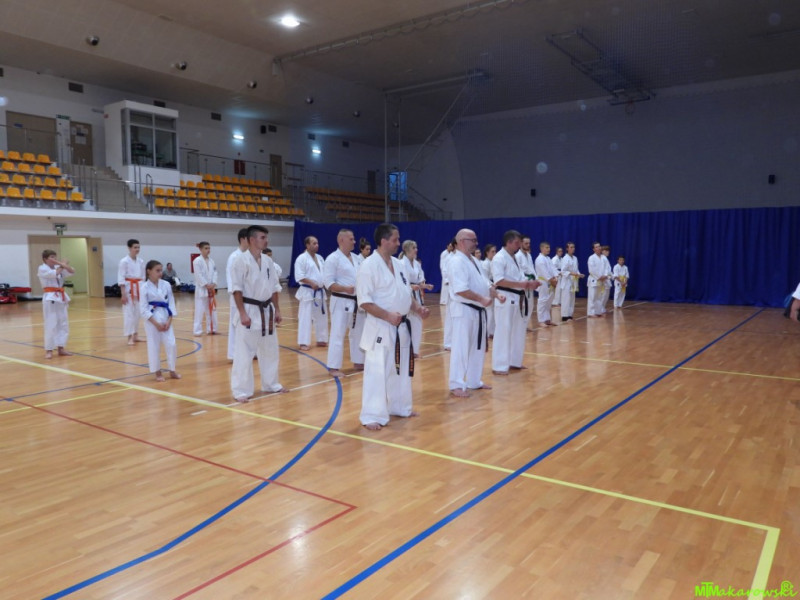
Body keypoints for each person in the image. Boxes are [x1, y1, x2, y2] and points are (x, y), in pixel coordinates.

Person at [357, 223, 429, 431]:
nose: (398, 243)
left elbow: (405, 294)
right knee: (377, 371)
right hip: (380, 325)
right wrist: (388, 315)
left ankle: (400, 407)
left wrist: (417, 308)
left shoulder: (399, 265)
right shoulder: (368, 266)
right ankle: (372, 414)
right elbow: (364, 301)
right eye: (395, 240)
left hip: (401, 325)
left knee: (401, 369)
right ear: (383, 241)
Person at [230, 225, 286, 402]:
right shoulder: (240, 261)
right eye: (263, 237)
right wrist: (242, 313)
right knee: (244, 352)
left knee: (270, 349)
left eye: (266, 237)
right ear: (252, 240)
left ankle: (271, 384)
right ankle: (241, 390)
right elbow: (236, 289)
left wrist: (277, 309)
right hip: (249, 309)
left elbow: (275, 287)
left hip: (267, 310)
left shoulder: (268, 261)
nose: (266, 240)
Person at [448, 229, 505, 397]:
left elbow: (485, 283)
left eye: (475, 240)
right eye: (472, 240)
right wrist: (481, 299)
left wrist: (496, 294)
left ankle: (474, 381)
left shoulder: (473, 260)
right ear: (461, 241)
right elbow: (460, 289)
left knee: (477, 347)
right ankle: (456, 383)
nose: (476, 243)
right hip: (464, 310)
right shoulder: (456, 261)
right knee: (461, 348)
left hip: (478, 310)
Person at [492, 230, 540, 375]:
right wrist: (521, 284)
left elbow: (519, 277)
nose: (519, 245)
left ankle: (515, 361)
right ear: (508, 242)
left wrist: (529, 284)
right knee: (503, 331)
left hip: (518, 298)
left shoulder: (515, 258)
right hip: (505, 298)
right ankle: (499, 365)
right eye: (517, 243)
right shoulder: (499, 258)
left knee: (518, 331)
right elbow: (499, 280)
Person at [323, 228, 364, 377]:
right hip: (340, 300)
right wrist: (345, 289)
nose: (354, 241)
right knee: (337, 334)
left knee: (358, 333)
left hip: (357, 302)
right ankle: (333, 367)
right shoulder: (332, 259)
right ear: (341, 240)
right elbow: (328, 283)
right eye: (351, 239)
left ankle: (359, 361)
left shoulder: (357, 258)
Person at [140, 260, 180, 382]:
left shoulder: (166, 285)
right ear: (149, 271)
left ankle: (172, 370)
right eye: (157, 270)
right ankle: (157, 372)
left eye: (161, 270)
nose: (160, 273)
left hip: (166, 316)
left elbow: (171, 303)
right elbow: (143, 309)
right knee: (154, 345)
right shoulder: (144, 287)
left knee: (171, 344)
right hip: (152, 319)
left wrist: (169, 320)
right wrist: (156, 324)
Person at [38, 249, 75, 359]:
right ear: (45, 259)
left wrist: (63, 265)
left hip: (61, 297)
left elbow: (71, 271)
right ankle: (49, 350)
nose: (54, 259)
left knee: (63, 323)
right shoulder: (42, 268)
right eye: (52, 257)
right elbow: (55, 274)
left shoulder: (58, 267)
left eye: (55, 257)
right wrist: (62, 264)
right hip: (50, 297)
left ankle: (61, 348)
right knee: (51, 323)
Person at [294, 235, 328, 351]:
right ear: (307, 245)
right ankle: (303, 342)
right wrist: (311, 282)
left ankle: (321, 339)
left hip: (320, 292)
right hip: (308, 291)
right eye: (314, 243)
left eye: (317, 243)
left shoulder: (320, 258)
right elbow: (299, 276)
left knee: (322, 316)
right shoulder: (301, 258)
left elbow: (324, 274)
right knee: (305, 318)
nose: (317, 245)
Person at [400, 239, 433, 357]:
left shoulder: (417, 264)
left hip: (417, 295)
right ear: (407, 249)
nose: (416, 250)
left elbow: (419, 280)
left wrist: (425, 286)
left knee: (418, 322)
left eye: (416, 247)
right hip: (406, 294)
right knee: (406, 322)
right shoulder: (401, 264)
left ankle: (414, 350)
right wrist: (410, 286)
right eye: (414, 248)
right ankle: (405, 349)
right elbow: (400, 282)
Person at [226, 228, 250, 360]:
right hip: (237, 296)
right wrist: (236, 294)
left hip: (250, 297)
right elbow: (231, 279)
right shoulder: (234, 257)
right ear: (242, 239)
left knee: (249, 325)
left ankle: (249, 351)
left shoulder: (249, 256)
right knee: (235, 324)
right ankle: (234, 354)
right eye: (249, 238)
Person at [118, 239, 145, 345]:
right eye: (135, 247)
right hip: (128, 288)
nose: (137, 249)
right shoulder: (124, 261)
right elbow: (121, 278)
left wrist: (144, 291)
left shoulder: (141, 261)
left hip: (139, 288)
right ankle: (129, 337)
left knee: (137, 313)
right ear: (129, 248)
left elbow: (143, 277)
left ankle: (135, 335)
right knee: (129, 314)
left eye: (138, 247)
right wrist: (123, 294)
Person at [192, 241, 218, 335]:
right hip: (202, 289)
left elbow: (215, 273)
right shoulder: (197, 261)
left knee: (212, 310)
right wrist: (207, 285)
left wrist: (213, 284)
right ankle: (197, 331)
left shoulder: (212, 261)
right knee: (199, 311)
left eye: (209, 248)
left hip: (211, 289)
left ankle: (212, 329)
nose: (208, 250)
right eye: (206, 248)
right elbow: (198, 275)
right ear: (200, 249)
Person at [534, 241, 559, 326]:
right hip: (543, 282)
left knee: (549, 300)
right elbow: (544, 272)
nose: (549, 249)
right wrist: (552, 280)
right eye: (546, 247)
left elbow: (553, 269)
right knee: (543, 300)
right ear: (541, 248)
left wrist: (556, 277)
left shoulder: (548, 258)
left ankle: (547, 319)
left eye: (549, 247)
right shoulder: (539, 259)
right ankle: (541, 320)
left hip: (551, 281)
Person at [558, 241, 584, 322]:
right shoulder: (565, 258)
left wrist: (579, 274)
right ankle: (564, 316)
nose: (573, 249)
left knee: (572, 299)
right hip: (567, 281)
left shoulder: (575, 258)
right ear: (567, 249)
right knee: (566, 299)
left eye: (573, 247)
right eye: (571, 247)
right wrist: (572, 273)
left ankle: (570, 315)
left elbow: (576, 269)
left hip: (573, 281)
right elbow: (563, 271)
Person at [515, 235, 536, 331]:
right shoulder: (517, 256)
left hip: (530, 282)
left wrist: (535, 280)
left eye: (529, 243)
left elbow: (532, 269)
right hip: (523, 283)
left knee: (530, 305)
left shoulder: (529, 255)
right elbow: (518, 271)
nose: (528, 245)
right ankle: (520, 325)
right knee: (523, 305)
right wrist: (525, 281)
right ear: (520, 244)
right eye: (526, 243)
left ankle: (525, 325)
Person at [439, 238, 457, 350]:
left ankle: (454, 341)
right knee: (450, 317)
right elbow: (444, 269)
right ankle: (448, 343)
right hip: (452, 288)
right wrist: (446, 280)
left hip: (458, 291)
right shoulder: (448, 257)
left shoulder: (459, 257)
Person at [587, 242, 609, 318]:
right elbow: (592, 270)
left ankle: (598, 311)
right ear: (594, 249)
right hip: (594, 279)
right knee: (592, 296)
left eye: (599, 246)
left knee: (599, 296)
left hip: (602, 280)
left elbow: (607, 268)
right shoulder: (591, 258)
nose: (598, 248)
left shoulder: (604, 258)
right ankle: (591, 312)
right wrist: (599, 277)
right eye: (596, 247)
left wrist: (605, 275)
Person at [481, 243, 497, 337]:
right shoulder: (485, 264)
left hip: (494, 287)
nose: (494, 253)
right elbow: (485, 278)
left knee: (493, 310)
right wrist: (492, 285)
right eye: (492, 252)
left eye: (495, 251)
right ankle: (486, 332)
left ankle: (492, 331)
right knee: (489, 310)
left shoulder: (493, 263)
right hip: (488, 288)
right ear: (487, 253)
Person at [600, 245, 613, 314]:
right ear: (602, 251)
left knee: (606, 295)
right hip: (604, 278)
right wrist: (605, 276)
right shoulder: (602, 258)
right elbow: (603, 269)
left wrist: (612, 276)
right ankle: (600, 309)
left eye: (608, 251)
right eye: (606, 251)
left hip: (607, 278)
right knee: (603, 294)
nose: (608, 252)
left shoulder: (605, 259)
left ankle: (603, 308)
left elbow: (609, 270)